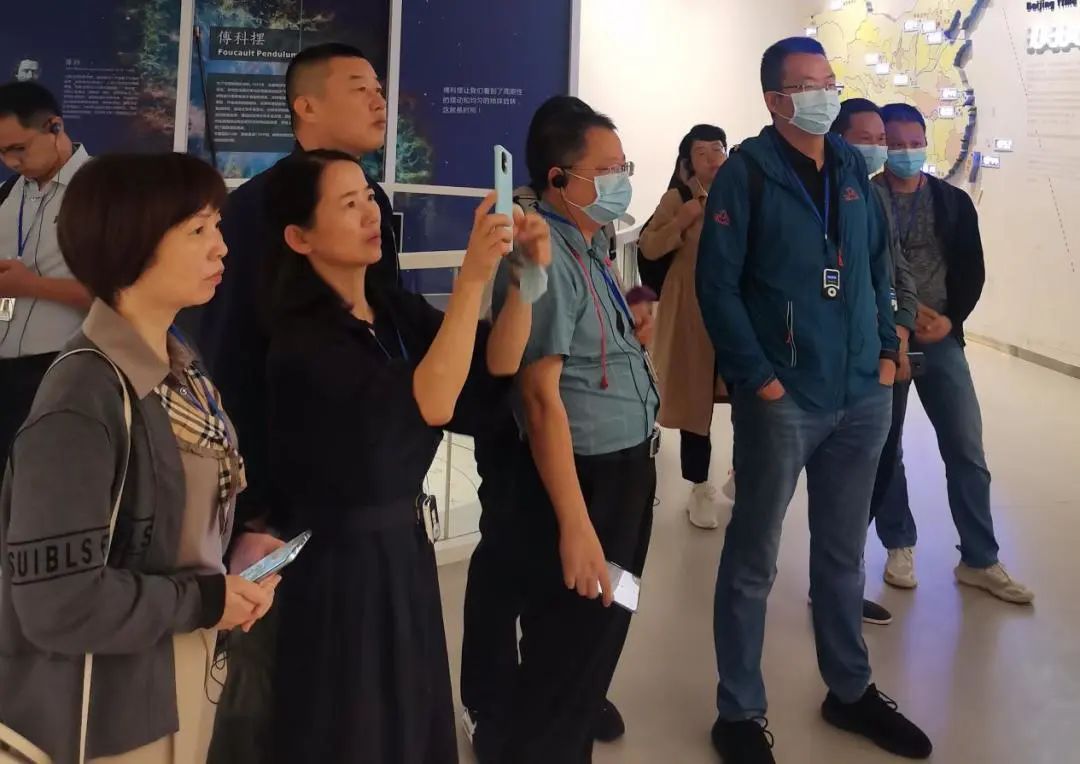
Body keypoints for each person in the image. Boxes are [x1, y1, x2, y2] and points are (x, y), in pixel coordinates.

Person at [261, 149, 548, 763]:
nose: (370, 213)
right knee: (354, 727)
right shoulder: (302, 341)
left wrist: (522, 276)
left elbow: (494, 364)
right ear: (299, 237)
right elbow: (433, 401)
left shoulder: (391, 309)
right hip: (339, 568)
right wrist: (471, 278)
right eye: (348, 204)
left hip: (402, 550)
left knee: (412, 717)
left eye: (369, 196)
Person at [0, 152, 280, 763]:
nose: (221, 247)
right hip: (109, 710)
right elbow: (57, 603)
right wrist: (206, 600)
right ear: (131, 243)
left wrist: (233, 552)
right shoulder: (83, 399)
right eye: (198, 230)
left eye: (217, 226)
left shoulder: (181, 366)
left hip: (180, 673)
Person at [696, 38, 932, 763]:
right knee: (754, 560)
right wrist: (760, 379)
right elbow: (717, 288)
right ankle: (739, 712)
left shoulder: (853, 172)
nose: (826, 94)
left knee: (840, 555)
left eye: (830, 80)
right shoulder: (747, 175)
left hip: (862, 392)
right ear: (775, 100)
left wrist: (889, 350)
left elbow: (875, 267)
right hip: (785, 398)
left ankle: (849, 691)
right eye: (809, 85)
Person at [194, 43, 401, 762]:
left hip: (361, 491)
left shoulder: (377, 210)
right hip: (279, 497)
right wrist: (252, 506)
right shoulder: (255, 211)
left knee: (347, 678)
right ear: (305, 106)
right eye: (358, 87)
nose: (379, 100)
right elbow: (227, 357)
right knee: (268, 672)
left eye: (379, 87)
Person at [485, 100, 659, 764]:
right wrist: (577, 524)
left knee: (598, 631)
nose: (621, 180)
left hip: (624, 471)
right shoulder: (546, 255)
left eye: (624, 167)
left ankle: (572, 718)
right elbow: (538, 397)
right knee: (568, 649)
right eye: (607, 170)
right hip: (588, 480)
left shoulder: (587, 239)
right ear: (559, 179)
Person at [869, 103, 1033, 604]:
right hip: (885, 342)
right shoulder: (864, 198)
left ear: (925, 142)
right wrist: (896, 317)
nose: (906, 151)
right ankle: (898, 544)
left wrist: (950, 319)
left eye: (914, 142)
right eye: (895, 144)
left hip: (941, 339)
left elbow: (971, 269)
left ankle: (980, 558)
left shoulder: (952, 202)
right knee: (886, 448)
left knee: (965, 448)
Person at [830, 96, 923, 627]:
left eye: (881, 140)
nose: (879, 149)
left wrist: (899, 336)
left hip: (880, 359)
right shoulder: (808, 197)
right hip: (820, 367)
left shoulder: (873, 198)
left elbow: (897, 273)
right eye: (866, 139)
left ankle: (840, 589)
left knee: (877, 464)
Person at [639, 124, 732, 529]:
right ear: (686, 163)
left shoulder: (740, 193)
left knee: (748, 397)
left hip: (737, 313)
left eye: (718, 149)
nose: (712, 158)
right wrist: (680, 221)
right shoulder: (677, 198)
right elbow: (649, 246)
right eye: (701, 152)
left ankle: (741, 474)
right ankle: (699, 487)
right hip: (692, 316)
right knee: (697, 405)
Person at [0, 81, 92, 468]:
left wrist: (31, 286)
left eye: (18, 148)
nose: (11, 161)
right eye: (1, 152)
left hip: (66, 370)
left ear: (54, 126)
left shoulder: (102, 192)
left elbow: (125, 293)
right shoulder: (8, 194)